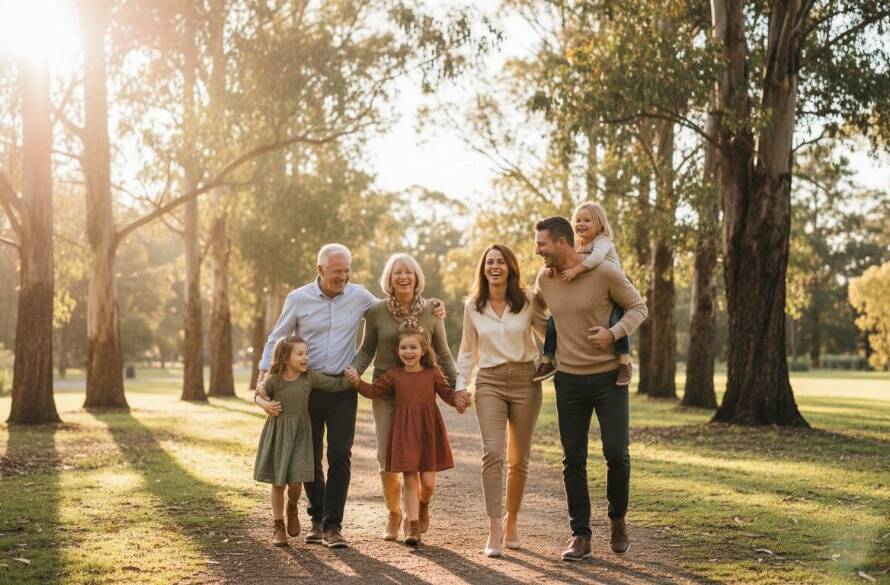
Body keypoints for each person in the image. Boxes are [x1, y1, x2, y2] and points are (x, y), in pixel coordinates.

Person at [255, 243, 445, 549]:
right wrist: (264, 376)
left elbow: (394, 305)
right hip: (309, 388)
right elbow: (277, 336)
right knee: (312, 456)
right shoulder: (298, 299)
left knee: (340, 454)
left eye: (347, 271)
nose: (343, 277)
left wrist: (432, 305)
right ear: (320, 270)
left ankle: (333, 526)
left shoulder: (359, 297)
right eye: (336, 272)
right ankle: (317, 518)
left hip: (343, 387)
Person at [533, 216, 648, 562]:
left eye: (542, 244)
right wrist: (554, 342)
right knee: (574, 459)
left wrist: (612, 335)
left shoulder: (605, 273)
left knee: (616, 452)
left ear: (562, 242)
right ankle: (580, 535)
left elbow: (638, 308)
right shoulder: (545, 279)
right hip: (568, 380)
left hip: (608, 379)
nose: (537, 250)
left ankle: (617, 518)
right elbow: (538, 313)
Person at [350, 253, 463, 541]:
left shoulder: (431, 310)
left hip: (418, 392)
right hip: (386, 392)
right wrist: (355, 371)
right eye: (397, 272)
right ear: (389, 278)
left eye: (408, 272)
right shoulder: (376, 311)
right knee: (387, 458)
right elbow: (366, 350)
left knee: (423, 462)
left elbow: (443, 353)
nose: (403, 277)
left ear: (416, 277)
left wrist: (458, 386)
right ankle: (394, 513)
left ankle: (422, 504)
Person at [455, 244, 547, 557]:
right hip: (490, 382)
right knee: (492, 451)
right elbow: (467, 349)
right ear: (483, 269)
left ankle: (512, 521)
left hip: (526, 382)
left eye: (500, 262)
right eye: (489, 262)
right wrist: (460, 386)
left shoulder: (529, 300)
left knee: (518, 459)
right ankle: (494, 526)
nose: (494, 267)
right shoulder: (473, 306)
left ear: (510, 267)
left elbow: (551, 334)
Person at [345, 328, 466, 547]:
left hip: (428, 430)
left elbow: (447, 394)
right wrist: (357, 383)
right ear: (397, 350)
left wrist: (460, 400)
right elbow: (374, 391)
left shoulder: (432, 373)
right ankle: (412, 526)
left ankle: (423, 504)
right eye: (403, 347)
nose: (408, 352)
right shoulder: (394, 374)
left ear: (423, 350)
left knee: (427, 482)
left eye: (413, 347)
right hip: (405, 431)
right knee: (410, 478)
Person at [253, 336, 355, 547]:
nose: (306, 357)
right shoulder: (274, 380)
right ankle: (278, 525)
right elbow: (257, 395)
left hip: (301, 436)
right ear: (284, 357)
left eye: (307, 353)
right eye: (300, 354)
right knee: (278, 481)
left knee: (296, 482)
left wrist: (354, 378)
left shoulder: (309, 378)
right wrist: (264, 404)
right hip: (279, 434)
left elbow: (333, 385)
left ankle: (293, 505)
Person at [533, 202, 633, 386]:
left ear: (600, 224)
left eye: (587, 220)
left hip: (614, 291)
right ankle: (547, 360)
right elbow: (565, 256)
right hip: (569, 374)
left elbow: (593, 260)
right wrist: (551, 267)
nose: (581, 223)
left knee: (616, 320)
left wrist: (576, 270)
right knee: (554, 321)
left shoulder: (603, 242)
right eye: (578, 220)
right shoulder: (578, 244)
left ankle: (624, 362)